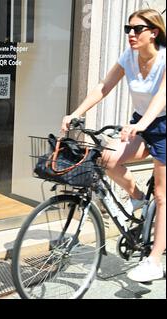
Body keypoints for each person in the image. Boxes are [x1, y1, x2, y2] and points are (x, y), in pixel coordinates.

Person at [61, 9, 166, 282]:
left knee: (162, 195)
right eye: (127, 29)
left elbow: (161, 98)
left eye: (137, 29)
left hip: (163, 125)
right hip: (141, 123)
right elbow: (103, 87)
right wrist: (76, 113)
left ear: (153, 32)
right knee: (107, 159)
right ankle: (136, 197)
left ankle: (154, 260)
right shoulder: (129, 57)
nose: (130, 34)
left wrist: (141, 125)